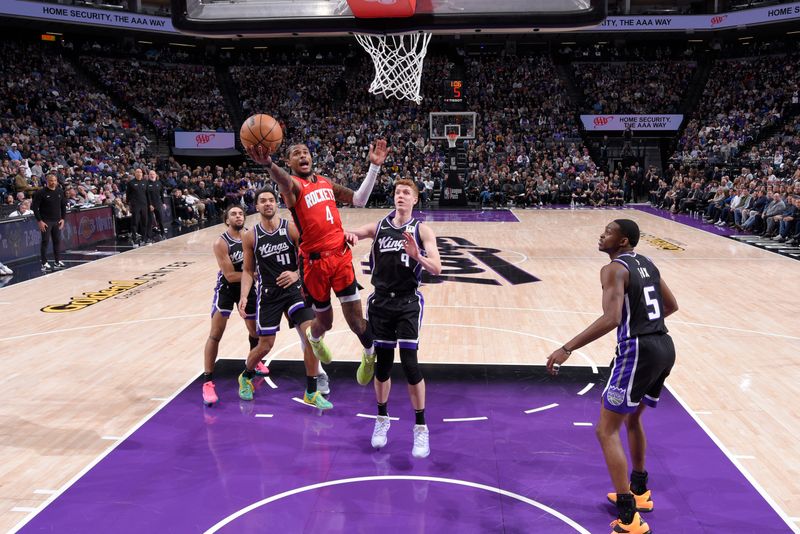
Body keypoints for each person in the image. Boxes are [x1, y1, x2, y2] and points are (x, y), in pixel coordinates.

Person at [546, 219, 678, 534]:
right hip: (664, 346)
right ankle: (641, 491)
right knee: (632, 420)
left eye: (608, 231)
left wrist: (567, 348)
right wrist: (645, 324)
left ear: (623, 241)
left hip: (638, 353)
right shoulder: (647, 263)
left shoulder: (614, 269)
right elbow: (670, 305)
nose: (602, 234)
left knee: (606, 431)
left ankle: (630, 518)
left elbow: (611, 318)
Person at [246, 139, 388, 384]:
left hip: (340, 257)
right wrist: (269, 164)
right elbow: (282, 180)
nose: (303, 156)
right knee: (325, 322)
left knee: (355, 322)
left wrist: (374, 167)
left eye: (306, 152)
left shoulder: (326, 183)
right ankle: (314, 339)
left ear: (311, 158)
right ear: (289, 162)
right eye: (296, 154)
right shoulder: (293, 187)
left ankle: (368, 354)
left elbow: (359, 200)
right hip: (314, 266)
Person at [344, 179, 442, 458]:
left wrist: (417, 255)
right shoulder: (379, 226)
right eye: (398, 192)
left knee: (410, 364)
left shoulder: (422, 229)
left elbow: (436, 268)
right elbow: (354, 233)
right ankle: (381, 419)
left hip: (408, 302)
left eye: (406, 193)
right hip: (381, 301)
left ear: (415, 199)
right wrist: (349, 236)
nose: (401, 196)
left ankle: (421, 427)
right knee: (383, 366)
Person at [237, 187, 332, 410]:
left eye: (271, 200)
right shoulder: (251, 236)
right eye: (263, 201)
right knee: (265, 346)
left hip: (294, 291)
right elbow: (248, 270)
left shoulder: (290, 228)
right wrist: (243, 296)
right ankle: (246, 376)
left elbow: (308, 259)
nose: (268, 204)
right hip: (269, 294)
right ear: (257, 206)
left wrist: (296, 274)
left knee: (310, 336)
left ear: (276, 203)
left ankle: (311, 391)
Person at [202, 205, 264, 406]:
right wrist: (256, 275)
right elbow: (229, 275)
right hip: (228, 289)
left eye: (240, 214)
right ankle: (208, 382)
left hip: (248, 286)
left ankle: (254, 362)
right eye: (233, 214)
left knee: (254, 331)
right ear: (227, 220)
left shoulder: (250, 236)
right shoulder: (221, 242)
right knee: (215, 334)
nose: (238, 216)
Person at [31, 174, 67, 271]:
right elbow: (35, 208)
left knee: (57, 241)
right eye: (51, 180)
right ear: (47, 181)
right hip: (46, 221)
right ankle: (44, 263)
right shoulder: (40, 192)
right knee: (45, 241)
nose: (53, 182)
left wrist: (63, 219)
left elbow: (63, 206)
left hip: (57, 220)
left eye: (54, 180)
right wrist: (40, 221)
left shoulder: (60, 191)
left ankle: (57, 261)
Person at [126, 168, 149, 246]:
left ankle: (144, 239)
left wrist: (150, 204)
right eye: (137, 172)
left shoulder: (145, 182)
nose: (139, 173)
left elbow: (147, 195)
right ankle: (134, 239)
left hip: (144, 205)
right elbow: (128, 195)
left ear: (142, 174)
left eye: (140, 172)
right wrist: (127, 205)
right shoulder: (131, 183)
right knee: (135, 223)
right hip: (135, 205)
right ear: (135, 174)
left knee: (144, 222)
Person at [146, 169, 165, 241]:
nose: (152, 175)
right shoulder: (146, 184)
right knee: (150, 221)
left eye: (153, 174)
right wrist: (150, 204)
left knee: (160, 220)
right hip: (150, 205)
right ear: (148, 175)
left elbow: (161, 194)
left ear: (155, 175)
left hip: (158, 204)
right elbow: (147, 195)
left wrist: (163, 203)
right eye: (150, 174)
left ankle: (163, 234)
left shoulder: (159, 183)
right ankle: (149, 237)